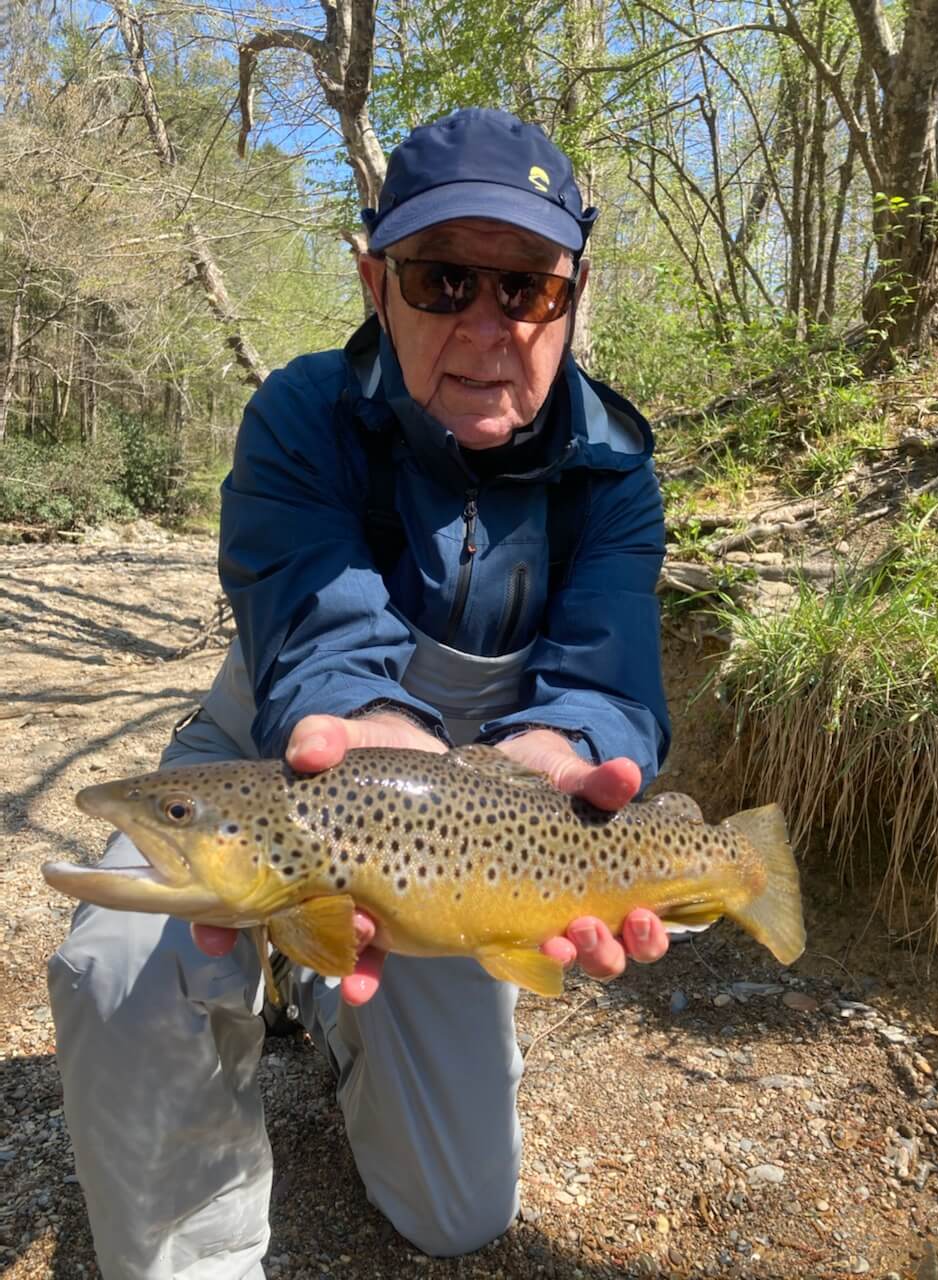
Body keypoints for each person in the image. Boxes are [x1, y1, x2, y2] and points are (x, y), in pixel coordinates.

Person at [48, 107, 672, 1280]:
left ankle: (331, 1001)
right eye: (445, 280)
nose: (490, 327)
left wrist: (561, 755)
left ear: (574, 291)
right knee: (122, 964)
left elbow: (606, 684)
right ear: (374, 279)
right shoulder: (300, 416)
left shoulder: (615, 475)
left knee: (457, 1212)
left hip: (467, 821)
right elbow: (322, 640)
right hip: (285, 755)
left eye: (528, 288)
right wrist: (375, 741)